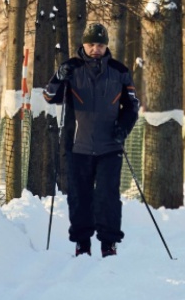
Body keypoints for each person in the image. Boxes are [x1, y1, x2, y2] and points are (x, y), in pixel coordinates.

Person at [43, 23, 140, 258]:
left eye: (100, 44)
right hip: (79, 146)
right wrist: (58, 77)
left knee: (108, 197)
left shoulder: (119, 71)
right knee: (79, 197)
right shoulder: (71, 68)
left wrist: (122, 129)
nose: (95, 49)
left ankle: (109, 244)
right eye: (91, 44)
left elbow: (132, 106)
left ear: (106, 45)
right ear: (83, 45)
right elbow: (49, 97)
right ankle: (82, 243)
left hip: (110, 147)